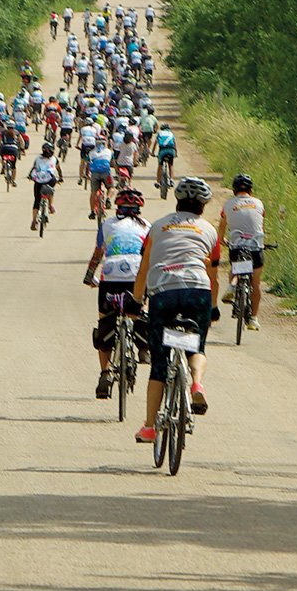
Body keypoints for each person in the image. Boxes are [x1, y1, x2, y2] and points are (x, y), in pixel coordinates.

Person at [131, 177, 219, 442]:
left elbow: (144, 270)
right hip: (198, 290)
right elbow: (213, 276)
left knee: (159, 365)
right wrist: (212, 308)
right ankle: (196, 384)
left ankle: (149, 428)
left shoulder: (157, 227)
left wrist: (136, 302)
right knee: (197, 347)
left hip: (164, 292)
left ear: (177, 201)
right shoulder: (210, 230)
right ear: (203, 205)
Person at [84, 185, 151, 396]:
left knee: (104, 321)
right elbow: (151, 256)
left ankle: (104, 373)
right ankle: (143, 347)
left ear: (118, 207)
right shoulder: (147, 226)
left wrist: (89, 275)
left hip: (110, 275)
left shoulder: (106, 225)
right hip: (137, 274)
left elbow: (98, 253)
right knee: (142, 307)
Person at [217, 172, 266, 331]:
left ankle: (233, 284)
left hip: (237, 245)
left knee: (236, 268)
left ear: (234, 189)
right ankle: (253, 318)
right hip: (256, 245)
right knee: (256, 283)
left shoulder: (228, 205)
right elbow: (259, 224)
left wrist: (222, 240)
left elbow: (222, 228)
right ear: (251, 190)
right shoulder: (258, 203)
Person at [29, 141, 63, 228]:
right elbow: (59, 169)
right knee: (51, 189)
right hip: (49, 180)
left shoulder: (38, 158)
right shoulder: (54, 159)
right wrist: (61, 178)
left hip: (38, 182)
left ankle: (34, 220)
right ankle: (50, 205)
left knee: (37, 200)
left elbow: (33, 168)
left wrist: (30, 175)